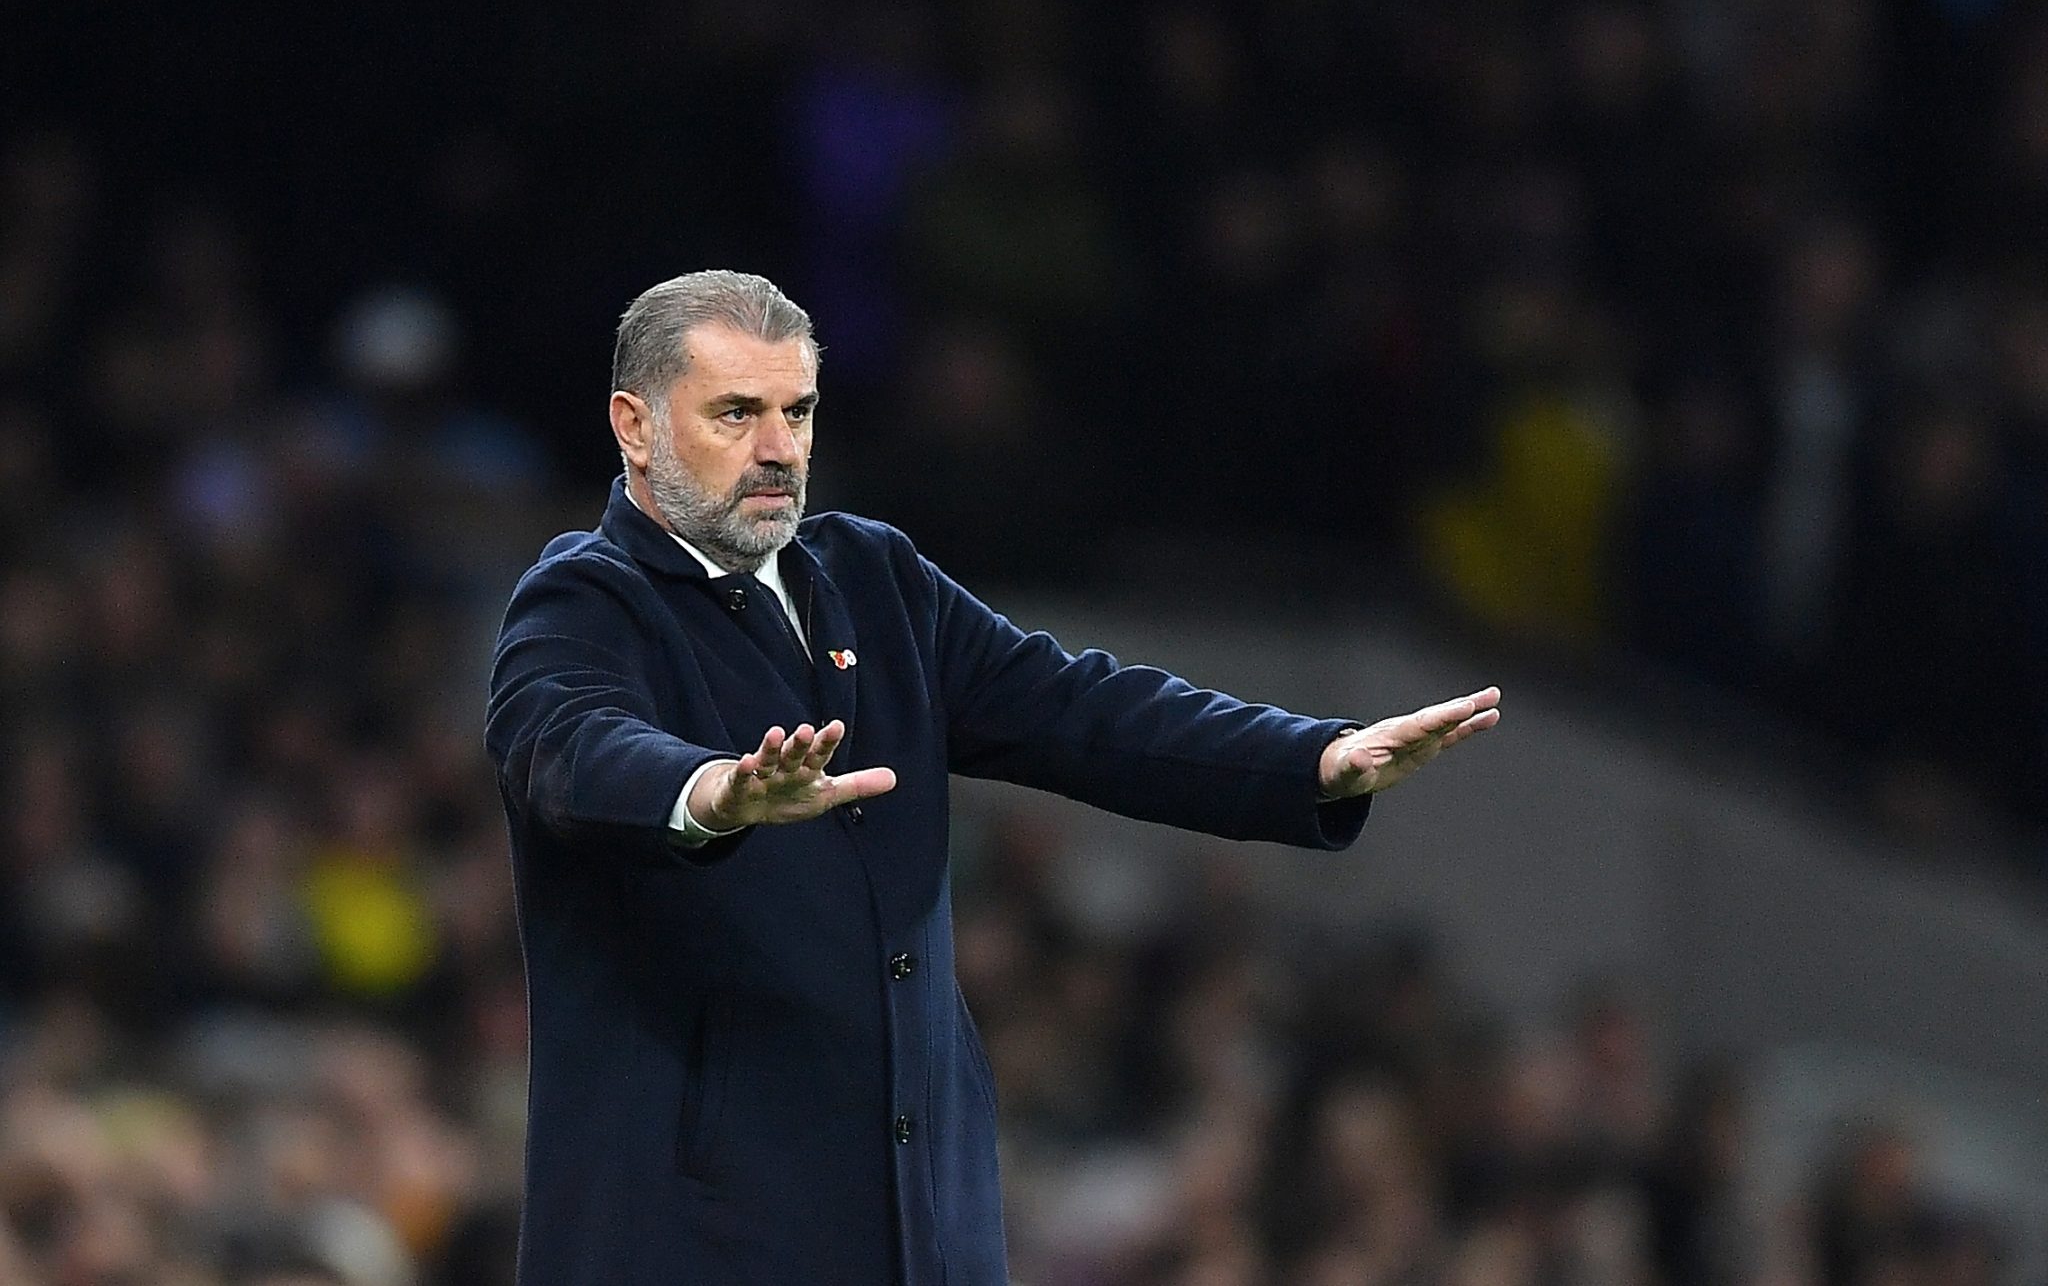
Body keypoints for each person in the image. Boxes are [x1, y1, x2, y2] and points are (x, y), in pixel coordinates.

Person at [484, 269, 1500, 1285]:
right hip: (694, 1240)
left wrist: (1310, 757)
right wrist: (711, 793)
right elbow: (570, 746)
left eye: (797, 411)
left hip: (924, 1230)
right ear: (634, 425)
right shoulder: (583, 599)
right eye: (737, 413)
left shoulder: (873, 578)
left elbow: (1076, 706)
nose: (779, 448)